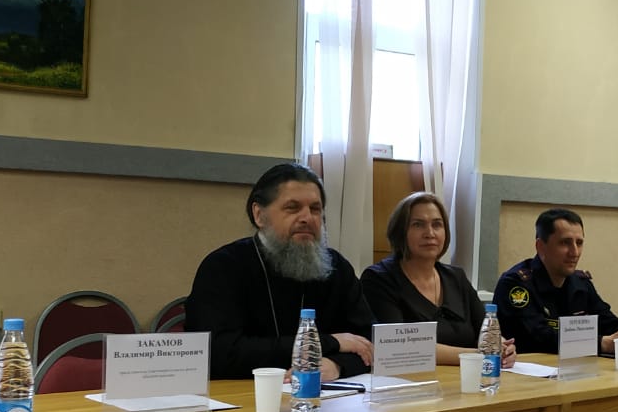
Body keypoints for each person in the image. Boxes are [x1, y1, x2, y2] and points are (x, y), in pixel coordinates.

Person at [186, 162, 374, 380]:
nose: (307, 218)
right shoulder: (223, 266)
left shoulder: (336, 267)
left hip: (324, 395)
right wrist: (327, 343)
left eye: (315, 209)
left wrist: (337, 365)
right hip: (245, 394)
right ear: (259, 215)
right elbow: (219, 353)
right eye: (292, 208)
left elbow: (369, 342)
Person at [361, 192, 516, 367]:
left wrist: (503, 347)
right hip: (410, 379)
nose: (430, 233)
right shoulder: (378, 279)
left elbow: (486, 330)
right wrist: (480, 355)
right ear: (400, 232)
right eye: (418, 224)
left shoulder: (456, 277)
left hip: (467, 376)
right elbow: (399, 348)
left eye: (437, 224)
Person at [494, 207, 618, 355]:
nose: (574, 252)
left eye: (579, 243)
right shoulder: (516, 284)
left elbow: (606, 320)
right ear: (541, 247)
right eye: (565, 243)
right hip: (526, 366)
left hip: (575, 365)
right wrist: (601, 344)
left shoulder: (581, 283)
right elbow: (538, 338)